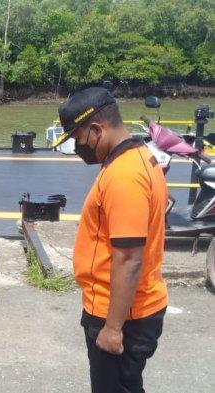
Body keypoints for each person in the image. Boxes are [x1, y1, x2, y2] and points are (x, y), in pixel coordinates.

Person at [52, 87, 168, 392]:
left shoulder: (124, 176)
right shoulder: (137, 157)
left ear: (95, 130)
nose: (78, 148)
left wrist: (113, 328)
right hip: (128, 306)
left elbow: (129, 258)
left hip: (119, 314)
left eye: (77, 138)